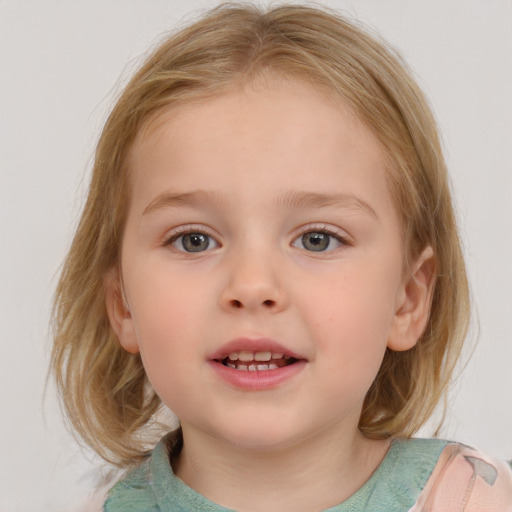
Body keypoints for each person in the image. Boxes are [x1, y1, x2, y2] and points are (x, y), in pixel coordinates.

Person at [51, 3, 512, 511]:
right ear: (123, 305)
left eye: (318, 239)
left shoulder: (475, 501)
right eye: (194, 240)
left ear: (408, 298)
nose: (252, 286)